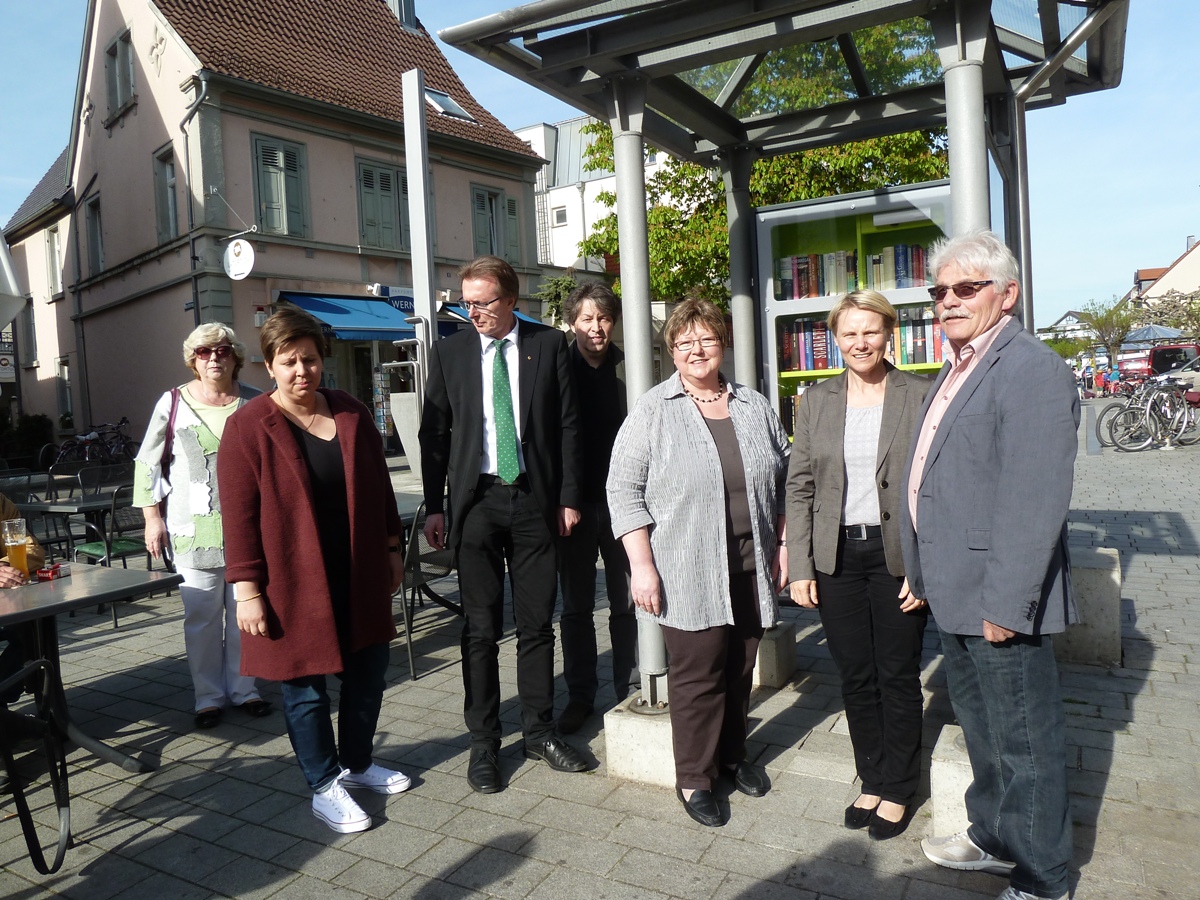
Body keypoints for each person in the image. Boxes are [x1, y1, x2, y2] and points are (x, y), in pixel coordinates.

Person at [902, 231, 1079, 900]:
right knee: (984, 733)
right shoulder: (959, 366)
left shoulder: (1030, 368)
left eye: (966, 287)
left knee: (1026, 743)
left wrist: (1007, 604)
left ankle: (1044, 876)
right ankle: (993, 835)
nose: (948, 300)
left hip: (996, 599)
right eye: (939, 290)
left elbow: (1034, 499)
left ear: (1007, 295)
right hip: (952, 592)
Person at [218, 308, 408, 834]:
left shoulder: (349, 413)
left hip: (358, 571)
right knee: (305, 690)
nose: (302, 371)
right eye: (289, 361)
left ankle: (358, 763)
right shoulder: (248, 426)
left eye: (310, 359)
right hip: (293, 582)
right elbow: (238, 516)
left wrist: (394, 548)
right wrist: (248, 591)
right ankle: (324, 785)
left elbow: (380, 489)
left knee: (367, 677)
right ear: (270, 365)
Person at [607, 298, 789, 828]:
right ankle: (694, 778)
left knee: (741, 669)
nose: (696, 350)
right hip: (685, 569)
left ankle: (732, 758)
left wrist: (780, 544)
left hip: (749, 564)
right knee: (697, 676)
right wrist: (642, 566)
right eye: (684, 342)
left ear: (722, 341)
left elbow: (780, 484)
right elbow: (623, 490)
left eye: (705, 338)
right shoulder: (653, 410)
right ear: (671, 351)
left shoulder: (753, 405)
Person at [419, 255, 587, 794]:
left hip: (536, 502)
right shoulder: (449, 353)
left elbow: (568, 427)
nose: (474, 313)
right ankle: (484, 745)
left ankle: (538, 732)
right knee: (481, 630)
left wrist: (567, 496)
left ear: (512, 299)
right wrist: (436, 505)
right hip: (477, 504)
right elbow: (435, 435)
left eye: (484, 302)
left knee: (538, 625)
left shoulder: (548, 346)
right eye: (467, 302)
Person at [785, 290, 930, 841]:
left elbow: (935, 489)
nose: (860, 342)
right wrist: (801, 565)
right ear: (835, 338)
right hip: (838, 557)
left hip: (896, 558)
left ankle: (899, 787)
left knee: (897, 674)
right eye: (849, 333)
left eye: (870, 331)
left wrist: (925, 569)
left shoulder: (918, 393)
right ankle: (870, 776)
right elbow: (799, 487)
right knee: (855, 674)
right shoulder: (816, 400)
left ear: (888, 333)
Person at [133, 323, 266, 730]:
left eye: (222, 350)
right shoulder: (172, 402)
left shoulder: (257, 402)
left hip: (250, 529)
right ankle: (208, 697)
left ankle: (246, 689)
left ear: (235, 357)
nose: (214, 358)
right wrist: (152, 518)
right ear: (193, 359)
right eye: (205, 352)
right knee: (202, 618)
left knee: (246, 612)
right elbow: (147, 462)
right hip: (193, 532)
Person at [555, 282, 635, 734]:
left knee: (626, 601)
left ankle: (629, 686)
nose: (596, 327)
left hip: (621, 500)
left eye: (603, 318)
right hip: (576, 505)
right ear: (573, 323)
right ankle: (581, 696)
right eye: (587, 319)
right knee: (577, 606)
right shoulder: (557, 370)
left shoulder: (627, 373)